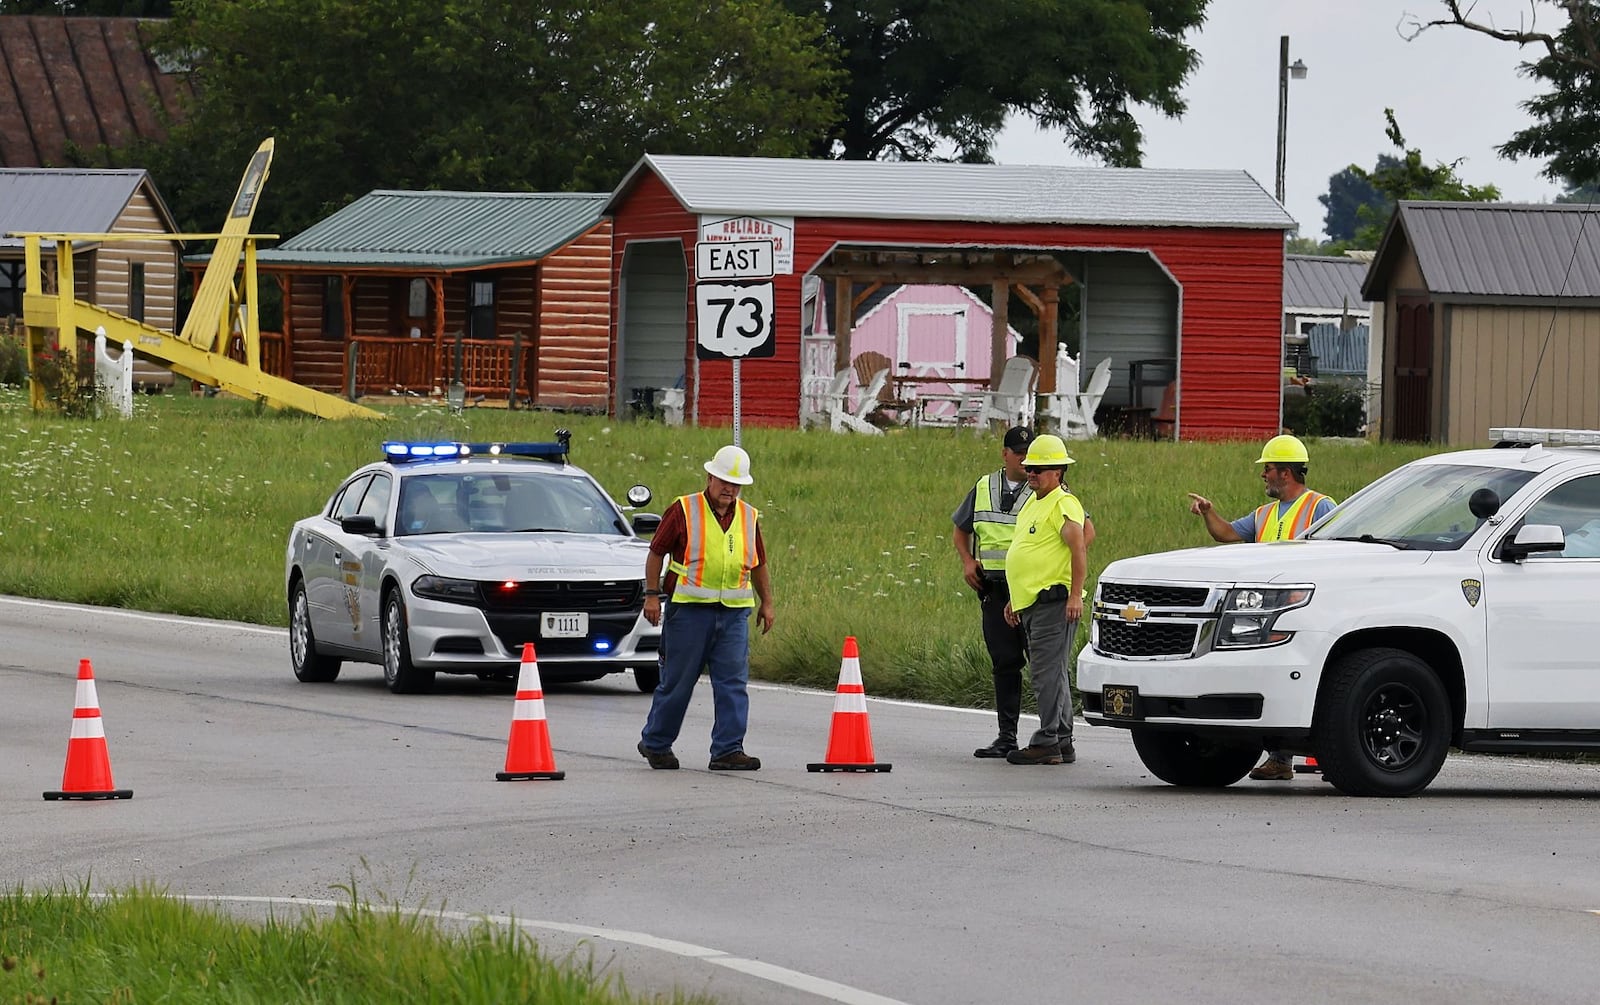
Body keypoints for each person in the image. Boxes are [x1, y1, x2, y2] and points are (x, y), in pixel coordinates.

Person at [1186, 433, 1337, 781]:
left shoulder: (1321, 507)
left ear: (1285, 472)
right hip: (1269, 611)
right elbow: (1226, 534)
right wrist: (1209, 513)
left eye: (1267, 469)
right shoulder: (1264, 513)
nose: (1263, 475)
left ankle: (1328, 755)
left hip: (1309, 609)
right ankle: (1281, 759)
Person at [638, 444, 775, 771]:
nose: (730, 489)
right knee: (677, 682)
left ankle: (728, 749)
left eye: (736, 484)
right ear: (710, 477)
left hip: (733, 614)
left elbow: (758, 564)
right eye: (724, 482)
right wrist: (652, 594)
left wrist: (767, 602)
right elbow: (656, 552)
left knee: (733, 684)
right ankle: (656, 743)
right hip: (688, 612)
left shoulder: (748, 516)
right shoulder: (684, 509)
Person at [1002, 434, 1091, 766]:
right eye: (1029, 468)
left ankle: (1048, 739)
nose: (1031, 474)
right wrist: (1016, 599)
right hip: (1034, 603)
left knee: (1045, 672)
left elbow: (1079, 546)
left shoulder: (1063, 503)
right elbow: (1026, 553)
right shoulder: (1033, 503)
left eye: (1039, 469)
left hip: (1053, 602)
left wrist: (1073, 594)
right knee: (1053, 672)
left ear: (1058, 471)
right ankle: (1061, 740)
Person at [952, 425, 1034, 758]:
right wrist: (968, 560)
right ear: (1005, 454)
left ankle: (1056, 738)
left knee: (1042, 665)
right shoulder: (984, 486)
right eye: (1019, 454)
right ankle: (1007, 737)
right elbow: (961, 528)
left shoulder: (1044, 486)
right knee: (1004, 663)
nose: (1025, 460)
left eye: (1030, 455)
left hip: (1030, 589)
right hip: (995, 588)